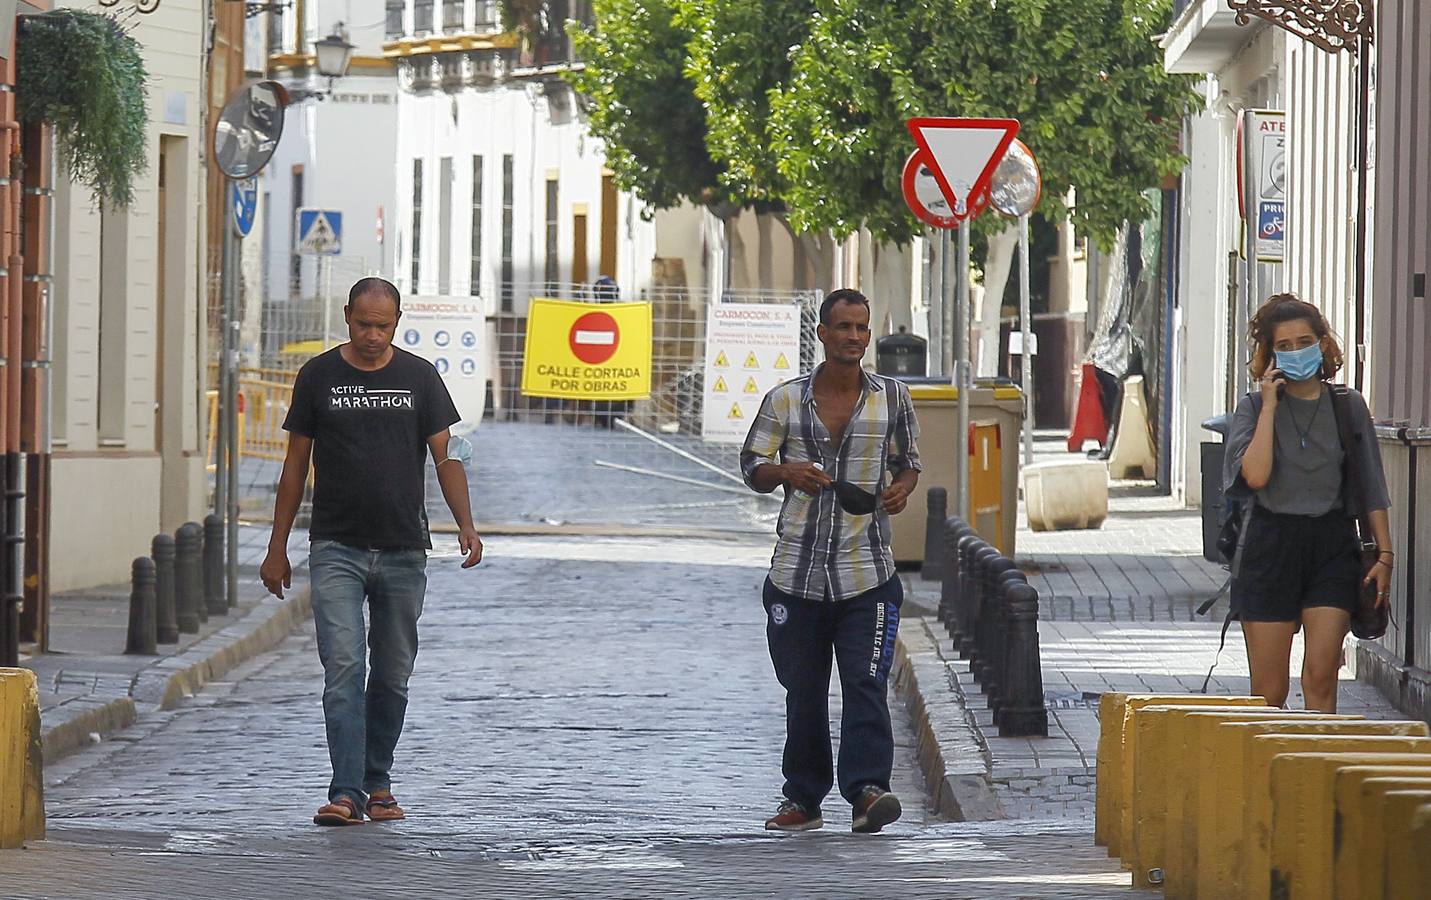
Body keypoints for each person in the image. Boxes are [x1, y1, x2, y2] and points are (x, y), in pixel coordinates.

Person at [260, 277, 484, 826]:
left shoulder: (419, 377)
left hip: (405, 549)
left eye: (383, 326)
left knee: (391, 673)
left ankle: (377, 782)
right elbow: (295, 466)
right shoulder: (318, 376)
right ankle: (345, 792)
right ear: (346, 317)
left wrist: (467, 525)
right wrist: (276, 547)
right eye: (364, 324)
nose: (372, 336)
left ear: (397, 321)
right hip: (336, 545)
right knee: (342, 667)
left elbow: (447, 455)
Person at [740, 288, 922, 833]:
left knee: (866, 683)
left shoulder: (893, 397)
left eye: (862, 328)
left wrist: (901, 489)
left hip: (867, 572)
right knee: (805, 689)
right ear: (822, 333)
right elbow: (752, 464)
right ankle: (802, 798)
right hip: (795, 575)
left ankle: (869, 791)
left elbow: (909, 462)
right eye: (843, 327)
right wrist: (786, 473)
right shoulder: (785, 400)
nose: (854, 338)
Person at [1222, 293, 1392, 713]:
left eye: (1304, 342)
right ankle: (1269, 775)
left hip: (1331, 544)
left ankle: (1319, 773)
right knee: (1268, 691)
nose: (1296, 352)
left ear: (1322, 344)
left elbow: (1371, 484)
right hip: (1269, 544)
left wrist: (1385, 555)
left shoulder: (1348, 407)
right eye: (1284, 345)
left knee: (1320, 675)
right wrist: (1268, 408)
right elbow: (1256, 476)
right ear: (1269, 354)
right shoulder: (1252, 408)